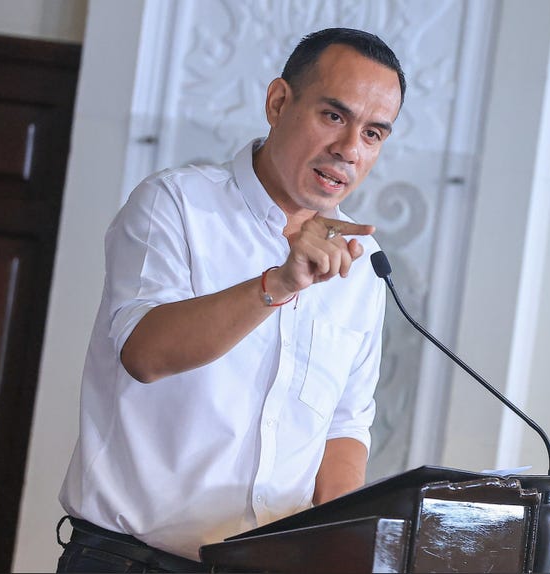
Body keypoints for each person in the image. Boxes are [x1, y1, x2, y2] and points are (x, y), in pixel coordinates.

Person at [55, 27, 405, 572]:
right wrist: (279, 283)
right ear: (278, 102)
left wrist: (343, 548)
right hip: (132, 562)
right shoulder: (176, 204)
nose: (349, 149)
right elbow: (144, 354)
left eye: (374, 133)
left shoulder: (363, 263)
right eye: (333, 116)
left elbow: (344, 424)